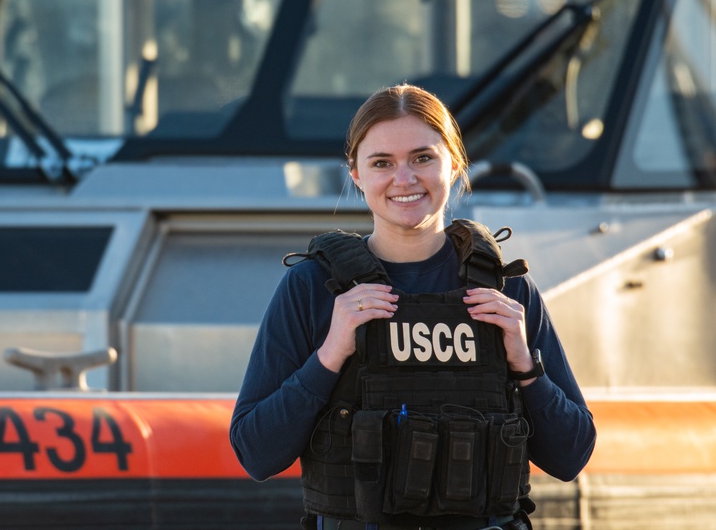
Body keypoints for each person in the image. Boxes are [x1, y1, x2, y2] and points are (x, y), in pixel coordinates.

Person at [229, 85, 595, 530]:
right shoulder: (312, 287)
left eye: (423, 158)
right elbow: (256, 453)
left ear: (455, 164)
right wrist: (330, 354)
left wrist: (523, 364)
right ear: (357, 174)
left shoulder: (507, 289)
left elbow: (570, 456)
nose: (404, 179)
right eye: (382, 163)